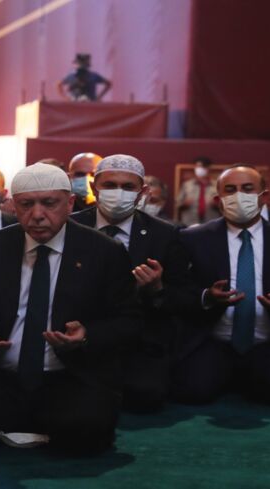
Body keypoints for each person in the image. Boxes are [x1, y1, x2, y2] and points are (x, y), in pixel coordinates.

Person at [0, 163, 139, 453]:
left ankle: (19, 426)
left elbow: (129, 320)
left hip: (70, 375)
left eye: (49, 203)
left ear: (70, 203)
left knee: (88, 433)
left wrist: (86, 336)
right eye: (26, 205)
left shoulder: (104, 251)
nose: (37, 214)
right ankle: (28, 424)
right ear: (13, 204)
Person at [170, 165, 270, 405]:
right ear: (219, 200)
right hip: (214, 340)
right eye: (230, 190)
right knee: (190, 391)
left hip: (267, 342)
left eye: (248, 189)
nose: (239, 196)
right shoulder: (192, 239)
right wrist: (207, 297)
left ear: (264, 196)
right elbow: (177, 291)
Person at [71, 155, 185, 412]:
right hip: (80, 333)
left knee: (145, 396)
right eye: (109, 185)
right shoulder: (70, 226)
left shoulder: (165, 235)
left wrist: (157, 289)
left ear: (143, 192)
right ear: (93, 188)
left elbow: (181, 297)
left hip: (139, 338)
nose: (117, 193)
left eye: (128, 187)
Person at [176, 157, 220, 227]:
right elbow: (177, 203)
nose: (199, 169)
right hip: (190, 222)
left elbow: (224, 205)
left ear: (208, 168)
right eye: (197, 166)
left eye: (202, 166)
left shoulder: (217, 185)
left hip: (211, 222)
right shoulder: (187, 185)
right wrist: (184, 203)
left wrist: (217, 204)